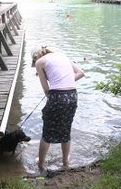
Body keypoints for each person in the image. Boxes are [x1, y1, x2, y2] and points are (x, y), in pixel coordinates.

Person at [31, 46, 85, 175]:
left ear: (35, 58)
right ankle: (65, 162)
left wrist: (55, 91)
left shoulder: (40, 62)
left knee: (47, 131)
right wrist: (64, 81)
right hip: (72, 95)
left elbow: (46, 90)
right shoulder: (63, 56)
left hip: (57, 96)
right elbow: (81, 73)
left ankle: (41, 164)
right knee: (66, 129)